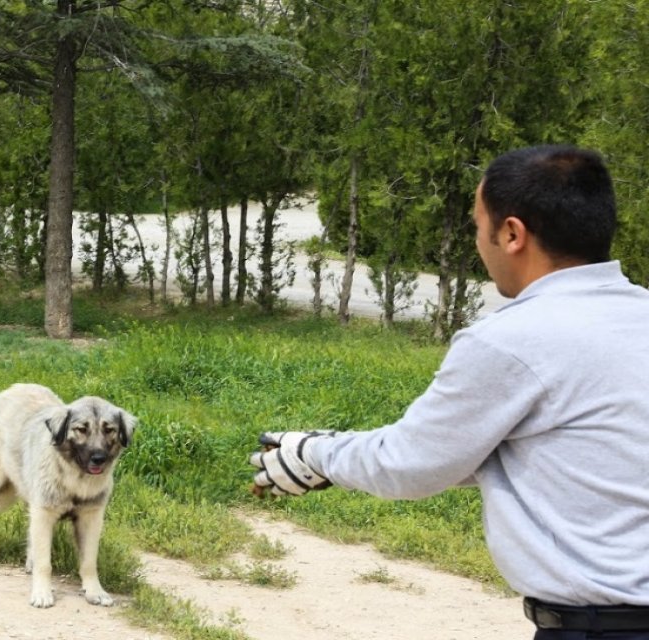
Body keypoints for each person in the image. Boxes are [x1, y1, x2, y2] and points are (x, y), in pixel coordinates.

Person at [248, 145, 649, 640]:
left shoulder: (513, 340)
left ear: (511, 233)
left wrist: (313, 453)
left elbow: (412, 464)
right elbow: (574, 459)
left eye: (477, 225)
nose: (478, 241)